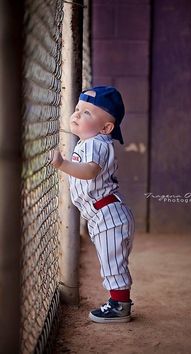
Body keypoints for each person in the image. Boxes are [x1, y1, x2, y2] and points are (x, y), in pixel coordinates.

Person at [49, 86, 135, 323]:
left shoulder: (98, 143)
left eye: (87, 113)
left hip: (108, 215)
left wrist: (62, 164)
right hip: (102, 214)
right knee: (111, 262)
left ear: (106, 128)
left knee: (112, 264)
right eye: (77, 109)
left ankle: (119, 306)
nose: (76, 115)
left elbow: (88, 171)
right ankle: (119, 302)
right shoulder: (88, 142)